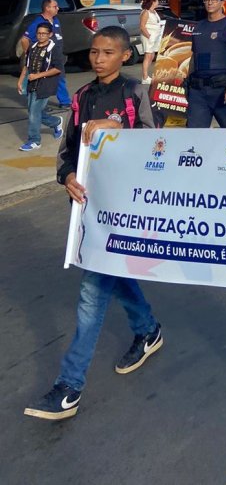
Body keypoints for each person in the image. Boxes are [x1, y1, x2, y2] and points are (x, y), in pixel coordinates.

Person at [24, 26, 162, 421]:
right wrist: (67, 177)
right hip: (88, 210)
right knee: (110, 274)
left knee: (91, 291)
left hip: (125, 206)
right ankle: (148, 329)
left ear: (124, 56)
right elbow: (67, 150)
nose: (98, 58)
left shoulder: (135, 94)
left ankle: (69, 386)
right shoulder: (83, 98)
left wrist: (119, 130)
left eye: (107, 52)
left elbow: (155, 144)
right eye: (95, 52)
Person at [17, 22, 64, 151]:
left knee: (33, 113)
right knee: (35, 112)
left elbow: (58, 69)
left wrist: (38, 75)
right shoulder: (32, 47)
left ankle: (34, 141)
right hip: (31, 84)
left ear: (50, 34)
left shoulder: (54, 49)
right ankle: (56, 122)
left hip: (45, 85)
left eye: (44, 33)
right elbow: (26, 66)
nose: (41, 36)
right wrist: (21, 80)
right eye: (39, 33)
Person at [20, 0, 72, 109]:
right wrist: (28, 53)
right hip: (42, 57)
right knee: (41, 81)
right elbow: (24, 39)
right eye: (55, 6)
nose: (58, 8)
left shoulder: (56, 20)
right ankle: (39, 104)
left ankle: (65, 102)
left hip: (56, 55)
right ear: (47, 8)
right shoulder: (38, 22)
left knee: (59, 77)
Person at [139, 0, 162, 84]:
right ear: (153, 2)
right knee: (148, 56)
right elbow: (142, 26)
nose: (158, 2)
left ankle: (146, 75)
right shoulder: (145, 12)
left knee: (152, 56)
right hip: (148, 37)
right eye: (157, 1)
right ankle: (144, 77)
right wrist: (149, 36)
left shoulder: (154, 11)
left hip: (155, 37)